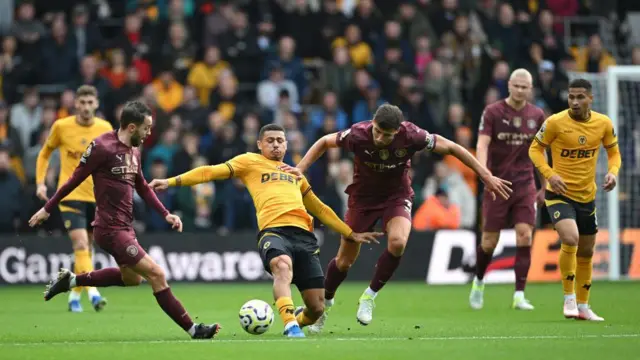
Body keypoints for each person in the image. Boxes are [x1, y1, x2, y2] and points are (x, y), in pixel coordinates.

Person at [280, 103, 512, 331]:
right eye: (377, 131)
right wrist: (301, 168)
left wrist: (485, 175)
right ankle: (326, 305)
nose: (380, 138)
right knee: (344, 261)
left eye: (387, 135)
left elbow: (452, 147)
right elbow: (324, 142)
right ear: (372, 123)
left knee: (398, 242)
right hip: (363, 199)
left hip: (396, 196)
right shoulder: (358, 134)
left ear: (398, 130)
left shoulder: (412, 136)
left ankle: (369, 296)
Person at [149, 124, 382, 338]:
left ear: (286, 144)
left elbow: (319, 208)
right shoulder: (249, 162)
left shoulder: (295, 174)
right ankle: (290, 324)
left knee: (317, 308)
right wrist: (170, 182)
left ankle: (298, 319)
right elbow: (209, 172)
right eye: (270, 140)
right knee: (281, 265)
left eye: (280, 140)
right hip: (273, 232)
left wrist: (350, 233)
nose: (276, 144)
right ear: (260, 144)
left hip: (304, 237)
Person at [30, 101, 220, 339]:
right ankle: (193, 329)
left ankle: (72, 280)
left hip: (125, 228)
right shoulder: (102, 147)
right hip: (109, 229)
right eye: (146, 128)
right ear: (132, 127)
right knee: (157, 275)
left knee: (132, 279)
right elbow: (74, 179)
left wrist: (166, 213)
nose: (149, 132)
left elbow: (142, 185)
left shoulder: (134, 150)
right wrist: (47, 208)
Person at [529, 78, 621, 321]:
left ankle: (583, 306)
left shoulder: (603, 123)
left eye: (580, 97)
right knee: (571, 238)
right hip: (558, 194)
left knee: (587, 252)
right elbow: (534, 149)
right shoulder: (555, 122)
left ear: (590, 98)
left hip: (586, 196)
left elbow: (614, 153)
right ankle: (568, 299)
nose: (575, 102)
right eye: (571, 97)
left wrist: (613, 172)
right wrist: (550, 175)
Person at [469, 69, 546, 311]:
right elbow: (482, 143)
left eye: (525, 87)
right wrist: (485, 174)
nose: (521, 90)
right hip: (498, 184)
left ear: (530, 89)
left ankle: (519, 294)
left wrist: (545, 184)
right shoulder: (492, 112)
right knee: (489, 241)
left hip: (525, 184)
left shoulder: (537, 115)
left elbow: (541, 151)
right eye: (517, 86)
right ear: (509, 85)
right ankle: (479, 281)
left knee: (525, 234)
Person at [35, 85, 113, 312]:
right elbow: (45, 152)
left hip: (96, 197)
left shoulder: (105, 128)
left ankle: (73, 297)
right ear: (75, 104)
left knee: (87, 248)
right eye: (83, 102)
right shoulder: (61, 126)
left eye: (91, 103)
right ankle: (94, 294)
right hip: (70, 195)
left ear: (96, 104)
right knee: (80, 243)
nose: (87, 107)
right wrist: (40, 182)